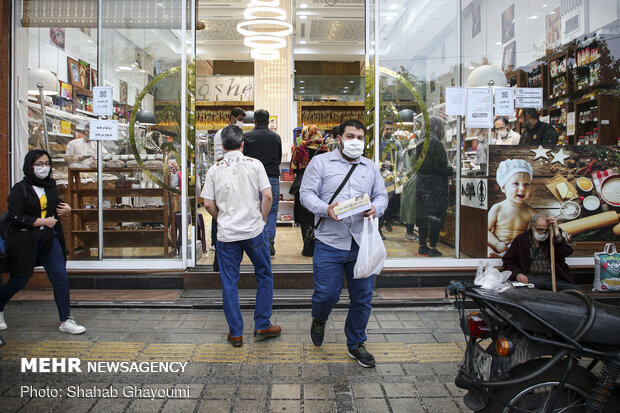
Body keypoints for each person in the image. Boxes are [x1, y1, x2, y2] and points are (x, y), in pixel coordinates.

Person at [300, 119, 388, 368]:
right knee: (326, 295)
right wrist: (325, 209)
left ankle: (356, 343)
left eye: (360, 138)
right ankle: (319, 318)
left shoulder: (370, 167)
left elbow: (382, 196)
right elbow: (306, 195)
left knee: (362, 298)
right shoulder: (321, 163)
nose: (355, 142)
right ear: (339, 138)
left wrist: (375, 208)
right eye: (350, 136)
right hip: (329, 241)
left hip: (362, 243)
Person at [201, 125, 281, 347]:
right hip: (254, 231)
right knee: (264, 274)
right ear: (243, 144)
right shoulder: (255, 165)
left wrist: (221, 218)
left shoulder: (214, 169)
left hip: (227, 235)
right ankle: (262, 324)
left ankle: (236, 333)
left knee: (229, 282)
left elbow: (207, 203)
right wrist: (262, 220)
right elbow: (268, 196)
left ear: (223, 146)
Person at [0, 149, 86, 334]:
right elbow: (14, 215)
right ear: (30, 166)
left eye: (46, 164)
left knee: (60, 278)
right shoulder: (20, 188)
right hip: (25, 240)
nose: (43, 168)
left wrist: (66, 208)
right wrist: (40, 221)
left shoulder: (50, 186)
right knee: (19, 281)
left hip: (48, 238)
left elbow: (53, 206)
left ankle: (65, 320)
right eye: (39, 164)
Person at [243, 109, 283, 256]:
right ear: (268, 121)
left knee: (253, 209)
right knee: (271, 210)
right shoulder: (276, 137)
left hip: (251, 178)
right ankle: (269, 240)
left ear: (254, 121)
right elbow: (278, 158)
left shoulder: (246, 137)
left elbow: (244, 159)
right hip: (271, 176)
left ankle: (256, 242)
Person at [503, 213, 577, 291]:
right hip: (530, 278)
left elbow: (565, 252)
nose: (543, 232)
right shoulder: (521, 240)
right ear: (532, 226)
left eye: (546, 230)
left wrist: (555, 229)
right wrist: (518, 274)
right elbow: (509, 261)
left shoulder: (553, 237)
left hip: (554, 278)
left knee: (577, 293)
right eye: (540, 229)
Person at [211, 107, 245, 270]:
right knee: (220, 213)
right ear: (232, 118)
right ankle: (218, 258)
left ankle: (229, 258)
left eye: (243, 119)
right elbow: (219, 157)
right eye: (239, 118)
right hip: (223, 178)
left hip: (234, 178)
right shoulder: (221, 134)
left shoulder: (237, 133)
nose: (241, 122)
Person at [415, 116, 453, 257]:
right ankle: (433, 247)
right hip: (436, 187)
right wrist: (451, 170)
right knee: (436, 217)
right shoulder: (436, 144)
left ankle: (422, 245)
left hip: (422, 185)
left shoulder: (420, 144)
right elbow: (440, 167)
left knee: (423, 217)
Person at [289, 124, 329, 257]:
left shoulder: (301, 148)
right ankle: (319, 247)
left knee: (305, 218)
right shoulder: (324, 148)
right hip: (321, 188)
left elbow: (294, 167)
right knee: (318, 217)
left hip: (304, 187)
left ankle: (308, 248)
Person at [488, 159, 537, 256]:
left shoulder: (530, 212)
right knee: (483, 243)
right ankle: (494, 255)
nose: (522, 188)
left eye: (526, 184)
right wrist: (497, 244)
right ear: (503, 187)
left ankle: (508, 256)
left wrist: (561, 232)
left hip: (518, 247)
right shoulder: (498, 208)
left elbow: (546, 224)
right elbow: (485, 231)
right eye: (516, 183)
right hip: (498, 245)